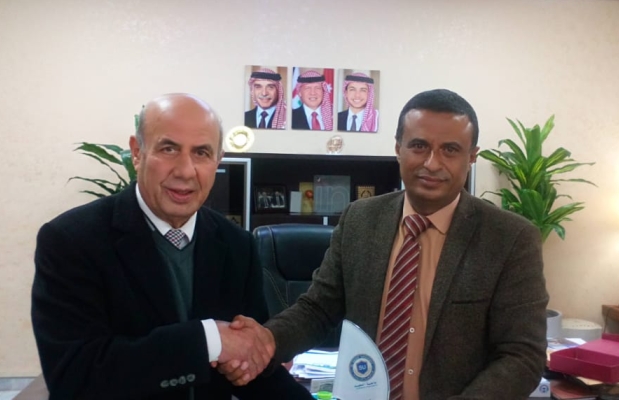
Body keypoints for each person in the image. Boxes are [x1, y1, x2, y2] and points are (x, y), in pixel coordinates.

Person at [223, 89, 549, 399]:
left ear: (472, 157)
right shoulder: (360, 220)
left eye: (450, 150)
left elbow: (522, 355)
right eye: (419, 146)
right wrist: (267, 341)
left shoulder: (509, 238)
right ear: (398, 148)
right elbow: (318, 310)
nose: (432, 163)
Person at [31, 93, 311, 400]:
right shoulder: (71, 241)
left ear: (217, 161)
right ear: (137, 153)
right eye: (169, 149)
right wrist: (209, 340)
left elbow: (250, 367)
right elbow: (75, 377)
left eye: (201, 153)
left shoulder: (237, 244)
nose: (185, 171)